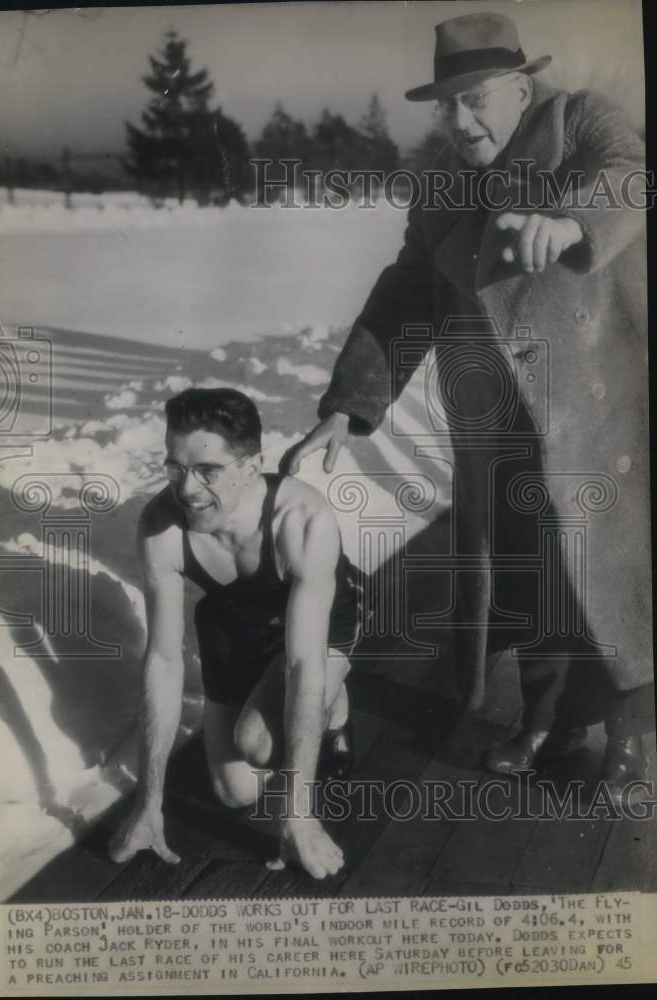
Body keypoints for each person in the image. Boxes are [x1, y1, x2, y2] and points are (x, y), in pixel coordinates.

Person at [287, 12, 653, 800]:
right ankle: (551, 717)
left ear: (520, 87)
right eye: (445, 105)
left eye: (476, 98)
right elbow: (403, 299)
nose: (459, 121)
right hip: (493, 418)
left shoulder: (580, 121)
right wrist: (348, 408)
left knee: (613, 569)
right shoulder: (439, 188)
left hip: (599, 405)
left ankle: (629, 733)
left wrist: (568, 220)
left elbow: (628, 174)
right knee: (531, 573)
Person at [110, 387, 363, 879]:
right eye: (175, 469)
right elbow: (162, 661)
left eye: (209, 471)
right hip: (234, 619)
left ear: (252, 466)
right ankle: (273, 694)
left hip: (325, 619)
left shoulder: (302, 520)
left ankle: (339, 706)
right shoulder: (162, 525)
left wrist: (298, 817)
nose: (187, 490)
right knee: (235, 792)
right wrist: (148, 804)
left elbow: (302, 663)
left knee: (260, 744)